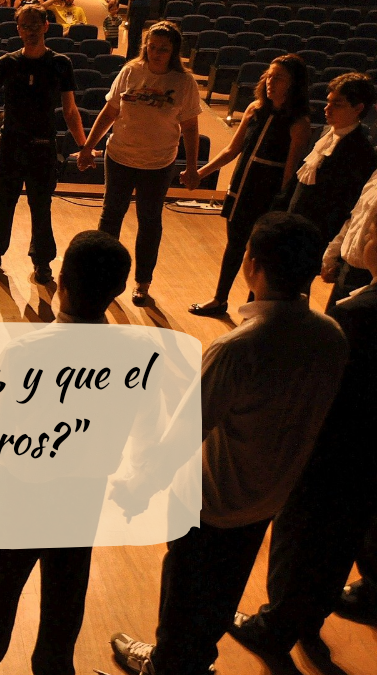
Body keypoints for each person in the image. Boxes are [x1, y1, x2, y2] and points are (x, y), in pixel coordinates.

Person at [106, 212, 348, 675]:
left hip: (211, 502)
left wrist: (136, 489)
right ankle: (197, 657)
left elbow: (182, 435)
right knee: (225, 586)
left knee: (184, 591)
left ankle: (169, 664)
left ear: (251, 265)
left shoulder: (238, 349)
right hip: (269, 497)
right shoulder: (331, 336)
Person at [0, 230, 135, 675]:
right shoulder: (134, 355)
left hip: (19, 495)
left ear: (60, 283)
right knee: (65, 597)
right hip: (84, 494)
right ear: (119, 289)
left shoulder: (24, 353)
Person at [227, 220, 377, 672]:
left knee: (301, 535)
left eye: (373, 230)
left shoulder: (358, 314)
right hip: (367, 454)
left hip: (334, 447)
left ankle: (276, 627)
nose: (365, 235)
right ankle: (311, 616)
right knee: (344, 536)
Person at [0, 3, 87, 283]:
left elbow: (70, 110)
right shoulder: (7, 63)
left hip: (43, 145)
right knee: (2, 202)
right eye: (25, 26)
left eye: (35, 25)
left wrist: (84, 146)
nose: (30, 31)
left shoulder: (60, 63)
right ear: (18, 29)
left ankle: (42, 262)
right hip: (11, 144)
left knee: (41, 205)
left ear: (46, 26)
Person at [77, 21, 200, 306]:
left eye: (163, 49)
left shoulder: (184, 83)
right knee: (110, 216)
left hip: (158, 163)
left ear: (174, 51)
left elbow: (190, 127)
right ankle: (103, 278)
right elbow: (109, 112)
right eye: (152, 47)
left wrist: (192, 167)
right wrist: (88, 147)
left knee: (149, 221)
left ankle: (143, 282)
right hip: (120, 157)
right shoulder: (131, 71)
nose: (156, 53)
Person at [189, 54, 311, 316]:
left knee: (261, 253)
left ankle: (255, 309)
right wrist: (200, 173)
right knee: (234, 246)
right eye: (269, 76)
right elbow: (232, 150)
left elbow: (290, 172)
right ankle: (219, 299)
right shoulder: (255, 109)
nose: (270, 82)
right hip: (242, 188)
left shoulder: (299, 122)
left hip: (268, 195)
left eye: (279, 78)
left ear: (294, 84)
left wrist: (281, 206)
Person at [273, 73, 377, 256]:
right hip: (291, 230)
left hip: (316, 240)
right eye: (328, 102)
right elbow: (298, 181)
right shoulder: (321, 133)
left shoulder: (361, 151)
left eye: (337, 104)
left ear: (358, 108)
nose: (327, 109)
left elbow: (346, 207)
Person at [323, 174, 377, 310]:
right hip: (347, 270)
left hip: (368, 277)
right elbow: (353, 221)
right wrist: (330, 257)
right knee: (335, 316)